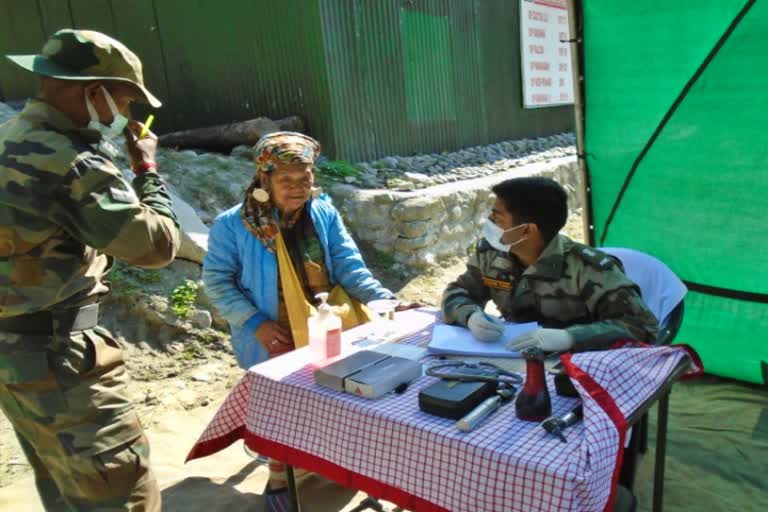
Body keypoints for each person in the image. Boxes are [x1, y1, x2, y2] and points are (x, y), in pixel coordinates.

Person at [0, 29, 179, 511]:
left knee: (64, 487)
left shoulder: (11, 139)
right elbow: (154, 245)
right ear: (91, 91)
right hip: (64, 360)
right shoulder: (70, 159)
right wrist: (147, 171)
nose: (126, 116)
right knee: (122, 495)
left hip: (17, 356)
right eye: (125, 100)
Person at [203, 131, 419, 510]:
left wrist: (385, 300)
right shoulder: (233, 225)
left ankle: (332, 466)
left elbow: (350, 267)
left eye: (305, 179)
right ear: (263, 178)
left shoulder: (322, 213)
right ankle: (280, 480)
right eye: (286, 180)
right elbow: (217, 282)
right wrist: (255, 323)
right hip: (273, 333)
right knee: (280, 408)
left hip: (328, 325)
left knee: (337, 399)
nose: (298, 188)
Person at [442, 177, 658, 353]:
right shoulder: (491, 255)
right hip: (512, 357)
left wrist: (570, 337)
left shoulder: (588, 270)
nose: (489, 222)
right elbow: (458, 291)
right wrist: (470, 316)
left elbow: (642, 326)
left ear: (527, 230)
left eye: (497, 218)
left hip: (575, 370)